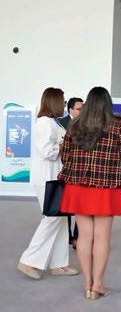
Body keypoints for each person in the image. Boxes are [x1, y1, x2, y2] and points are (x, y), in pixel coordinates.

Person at [57, 87, 121, 300]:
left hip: (78, 186)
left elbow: (65, 155)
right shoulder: (118, 125)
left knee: (84, 236)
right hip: (105, 187)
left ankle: (87, 284)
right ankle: (98, 285)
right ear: (107, 103)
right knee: (102, 236)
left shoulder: (75, 125)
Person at [17, 88, 79, 281]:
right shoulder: (44, 122)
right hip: (46, 177)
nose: (64, 104)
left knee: (61, 218)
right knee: (52, 218)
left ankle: (58, 264)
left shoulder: (53, 122)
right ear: (54, 102)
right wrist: (64, 145)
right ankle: (28, 261)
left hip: (55, 176)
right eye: (63, 101)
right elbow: (47, 151)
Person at [58, 96, 84, 248]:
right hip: (64, 171)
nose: (82, 111)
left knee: (80, 206)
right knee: (66, 206)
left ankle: (77, 237)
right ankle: (66, 235)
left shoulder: (86, 124)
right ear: (70, 110)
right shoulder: (60, 123)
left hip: (80, 173)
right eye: (79, 109)